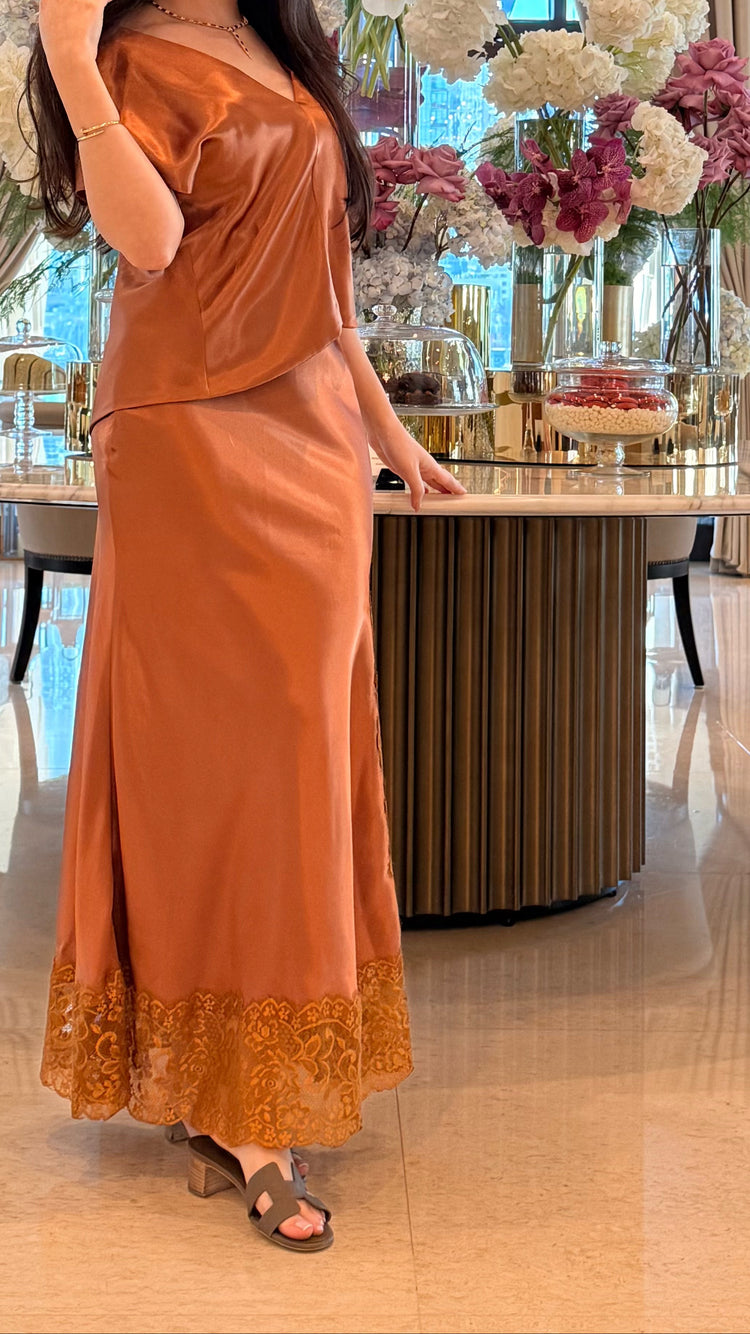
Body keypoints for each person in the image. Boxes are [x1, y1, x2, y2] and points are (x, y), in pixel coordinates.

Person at [30, 0, 465, 1253]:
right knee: (210, 761)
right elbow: (150, 240)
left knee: (301, 752)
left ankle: (245, 1071)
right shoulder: (125, 52)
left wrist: (387, 433)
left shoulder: (282, 46)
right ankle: (241, 1108)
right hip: (185, 429)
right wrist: (68, 60)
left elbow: (321, 282)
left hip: (311, 432)